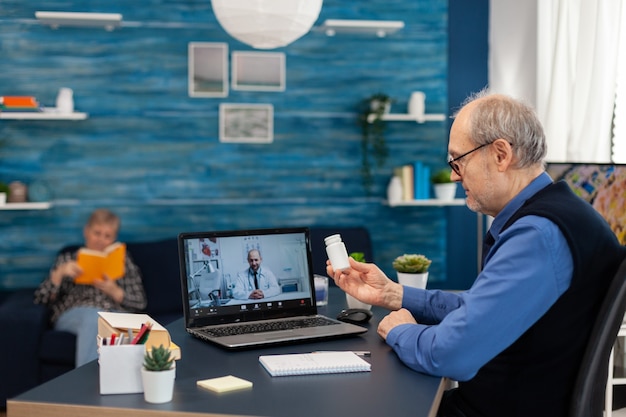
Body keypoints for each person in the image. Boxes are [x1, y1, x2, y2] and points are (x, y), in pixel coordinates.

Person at [328, 91, 626, 417]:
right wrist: (393, 293)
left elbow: (452, 354)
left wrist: (399, 329)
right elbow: (480, 308)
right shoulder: (558, 216)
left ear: (500, 154)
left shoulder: (537, 235)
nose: (455, 175)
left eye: (459, 160)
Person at [34, 209, 147, 367]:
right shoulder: (67, 259)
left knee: (135, 327)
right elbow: (41, 300)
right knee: (95, 319)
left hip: (115, 313)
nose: (101, 240)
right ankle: (88, 383)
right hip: (78, 313)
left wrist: (114, 291)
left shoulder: (123, 260)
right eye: (97, 233)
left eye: (107, 236)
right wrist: (59, 274)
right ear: (86, 231)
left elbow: (141, 303)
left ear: (114, 238)